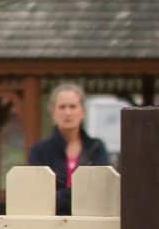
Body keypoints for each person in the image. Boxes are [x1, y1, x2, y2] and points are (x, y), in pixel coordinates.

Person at [27, 83, 109, 215]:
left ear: (83, 111)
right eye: (62, 107)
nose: (67, 112)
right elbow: (39, 196)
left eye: (73, 106)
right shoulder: (39, 151)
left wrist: (60, 196)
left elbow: (100, 190)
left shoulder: (97, 148)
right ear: (53, 112)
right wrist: (79, 195)